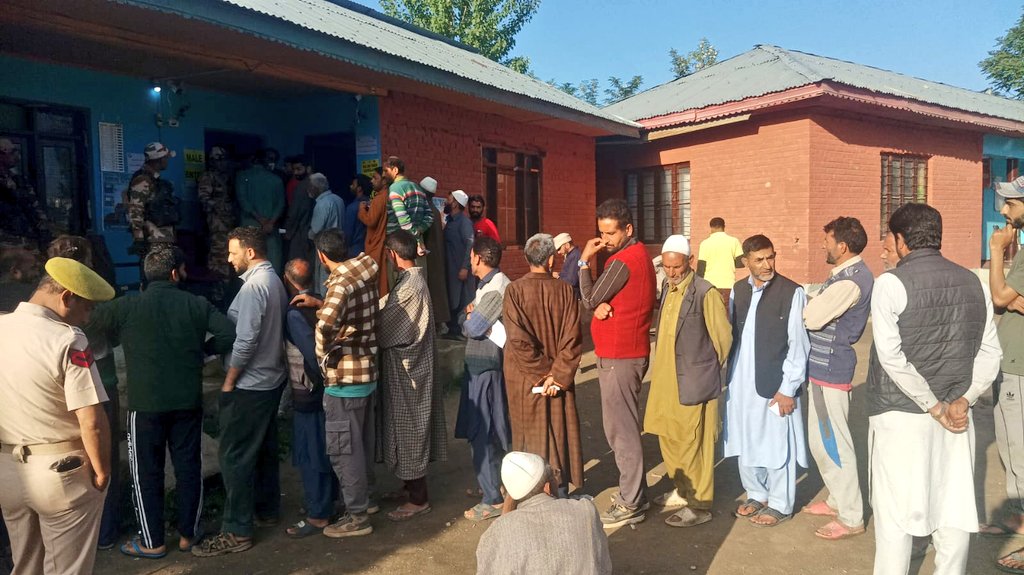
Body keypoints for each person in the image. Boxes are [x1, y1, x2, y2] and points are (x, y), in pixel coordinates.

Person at [866, 203, 1000, 574]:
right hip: (957, 416)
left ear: (901, 239)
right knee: (953, 505)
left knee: (895, 517)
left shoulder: (890, 283)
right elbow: (991, 353)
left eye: (889, 238)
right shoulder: (973, 280)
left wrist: (935, 406)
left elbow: (891, 358)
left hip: (901, 415)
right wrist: (963, 399)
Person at [88, 246, 235, 558]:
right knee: (188, 467)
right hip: (187, 402)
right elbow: (228, 332)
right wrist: (204, 352)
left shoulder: (127, 307)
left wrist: (117, 339)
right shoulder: (196, 304)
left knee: (146, 473)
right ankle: (188, 535)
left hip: (144, 407)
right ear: (174, 273)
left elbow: (88, 324)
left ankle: (151, 541)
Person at [0, 257, 114, 574]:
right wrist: (102, 472)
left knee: (24, 565)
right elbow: (91, 419)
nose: (88, 317)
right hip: (62, 473)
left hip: (8, 469)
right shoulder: (68, 339)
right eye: (88, 307)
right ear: (67, 297)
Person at [194, 227, 288, 557]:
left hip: (250, 384)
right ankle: (265, 510)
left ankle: (236, 530)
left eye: (233, 252)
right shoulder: (272, 281)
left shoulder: (254, 289)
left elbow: (245, 340)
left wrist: (229, 380)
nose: (228, 258)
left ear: (250, 252)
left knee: (234, 455)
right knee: (261, 449)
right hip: (270, 379)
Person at [578, 198, 656, 527]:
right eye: (601, 233)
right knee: (621, 426)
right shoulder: (636, 257)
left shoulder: (623, 261)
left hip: (620, 355)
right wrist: (599, 304)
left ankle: (631, 500)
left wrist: (583, 262)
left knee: (621, 430)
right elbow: (599, 301)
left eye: (611, 233)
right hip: (625, 352)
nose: (605, 240)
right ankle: (635, 494)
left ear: (628, 229)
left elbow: (590, 298)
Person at [644, 235, 731, 528]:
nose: (671, 272)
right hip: (666, 379)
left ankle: (699, 505)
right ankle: (682, 490)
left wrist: (706, 372)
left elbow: (723, 339)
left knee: (695, 442)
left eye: (676, 266)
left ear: (690, 262)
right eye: (667, 267)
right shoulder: (669, 289)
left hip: (694, 380)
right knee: (668, 435)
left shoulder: (705, 293)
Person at [724, 234, 810, 527]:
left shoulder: (791, 292)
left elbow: (799, 345)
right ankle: (756, 493)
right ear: (745, 261)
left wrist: (788, 389)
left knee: (776, 443)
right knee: (745, 438)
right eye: (759, 259)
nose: (767, 264)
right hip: (741, 382)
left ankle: (780, 503)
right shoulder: (739, 290)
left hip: (774, 383)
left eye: (770, 257)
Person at [800, 217, 873, 540]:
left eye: (827, 240)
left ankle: (852, 515)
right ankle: (837, 499)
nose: (823, 245)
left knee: (833, 442)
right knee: (821, 441)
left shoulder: (851, 281)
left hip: (831, 368)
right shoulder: (843, 276)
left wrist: (807, 304)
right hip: (822, 369)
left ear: (842, 247)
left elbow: (811, 318)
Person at [503, 233, 584, 497]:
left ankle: (532, 490)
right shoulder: (565, 291)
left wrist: (542, 374)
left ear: (526, 258)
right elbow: (573, 337)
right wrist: (557, 375)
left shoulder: (514, 291)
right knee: (559, 431)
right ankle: (558, 488)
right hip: (557, 378)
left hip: (526, 378)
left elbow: (517, 341)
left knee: (530, 433)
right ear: (551, 260)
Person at [313, 229, 382, 538]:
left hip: (343, 378)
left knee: (344, 450)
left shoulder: (340, 283)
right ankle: (366, 502)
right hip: (365, 373)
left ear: (322, 256)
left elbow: (326, 323)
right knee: (361, 445)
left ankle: (357, 516)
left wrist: (324, 346)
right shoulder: (363, 276)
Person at [377, 230, 447, 521]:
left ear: (392, 255)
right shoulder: (411, 281)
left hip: (409, 368)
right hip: (409, 366)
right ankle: (409, 486)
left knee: (410, 430)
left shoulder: (409, 287)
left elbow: (386, 326)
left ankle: (419, 499)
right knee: (404, 427)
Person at [475, 452, 611, 575]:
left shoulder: (495, 535)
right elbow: (604, 567)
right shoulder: (585, 510)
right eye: (555, 476)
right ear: (547, 487)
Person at [280, 258, 339, 538]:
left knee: (312, 452)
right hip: (327, 389)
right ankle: (327, 504)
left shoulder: (294, 313)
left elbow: (311, 354)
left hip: (310, 392)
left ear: (287, 280)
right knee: (324, 448)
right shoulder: (321, 300)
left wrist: (320, 376)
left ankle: (319, 513)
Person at [455, 236, 512, 521]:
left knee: (485, 430)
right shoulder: (486, 285)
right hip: (481, 365)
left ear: (478, 258)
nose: (469, 260)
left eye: (471, 256)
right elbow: (465, 319)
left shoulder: (496, 288)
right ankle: (492, 485)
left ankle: (492, 498)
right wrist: (467, 316)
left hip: (486, 368)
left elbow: (473, 327)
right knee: (485, 427)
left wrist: (468, 316)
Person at [236, 150, 286, 273]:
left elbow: (244, 202)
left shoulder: (242, 177)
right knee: (272, 262)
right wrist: (270, 222)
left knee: (249, 261)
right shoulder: (276, 180)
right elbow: (281, 204)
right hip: (271, 229)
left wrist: (260, 219)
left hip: (251, 227)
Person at [127, 142, 179, 257]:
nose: (167, 161)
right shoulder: (143, 180)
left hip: (161, 237)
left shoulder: (155, 180)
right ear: (158, 160)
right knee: (154, 272)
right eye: (165, 158)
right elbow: (136, 209)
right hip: (153, 239)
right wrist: (138, 238)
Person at [197, 146, 238, 288]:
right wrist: (221, 207)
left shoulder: (227, 177)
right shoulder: (208, 177)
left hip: (228, 224)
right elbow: (204, 199)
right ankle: (217, 293)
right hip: (217, 225)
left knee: (229, 257)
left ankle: (225, 291)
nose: (222, 163)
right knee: (218, 259)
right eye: (218, 160)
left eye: (223, 160)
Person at [0, 137, 50, 252]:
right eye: (12, 152)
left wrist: (43, 226)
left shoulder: (18, 179)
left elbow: (33, 204)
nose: (16, 156)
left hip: (26, 238)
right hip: (6, 243)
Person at [418, 176, 451, 328]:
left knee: (432, 289)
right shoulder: (434, 210)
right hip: (436, 254)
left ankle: (437, 322)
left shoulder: (426, 210)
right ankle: (440, 321)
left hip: (429, 256)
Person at [383, 156, 433, 252]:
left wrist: (416, 239)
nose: (383, 175)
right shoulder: (418, 188)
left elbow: (403, 219)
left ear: (395, 170)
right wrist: (419, 230)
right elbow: (429, 216)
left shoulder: (395, 188)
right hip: (414, 243)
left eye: (386, 171)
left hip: (399, 245)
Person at [444, 190, 476, 338]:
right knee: (452, 298)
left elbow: (470, 245)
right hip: (450, 269)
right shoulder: (450, 220)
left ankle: (461, 331)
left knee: (462, 299)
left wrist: (465, 267)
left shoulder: (464, 222)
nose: (446, 201)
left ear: (455, 203)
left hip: (460, 270)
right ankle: (452, 330)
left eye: (449, 198)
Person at [307, 173, 345, 293]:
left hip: (325, 246)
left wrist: (307, 235)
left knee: (325, 280)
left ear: (315, 188)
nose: (308, 189)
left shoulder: (322, 204)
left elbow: (316, 229)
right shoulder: (338, 199)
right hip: (339, 242)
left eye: (310, 186)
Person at [359, 168, 391, 297]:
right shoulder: (388, 196)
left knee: (377, 281)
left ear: (384, 181)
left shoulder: (379, 198)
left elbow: (370, 221)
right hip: (383, 243)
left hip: (376, 245)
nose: (371, 181)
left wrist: (362, 209)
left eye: (375, 178)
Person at [696, 217, 743, 303]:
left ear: (711, 227)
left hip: (709, 286)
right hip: (728, 284)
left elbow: (701, 268)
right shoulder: (734, 241)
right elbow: (740, 263)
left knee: (711, 313)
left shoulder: (704, 244)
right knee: (727, 313)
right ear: (724, 226)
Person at [284, 156, 315, 263]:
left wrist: (288, 232)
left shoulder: (302, 187)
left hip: (301, 233)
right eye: (294, 170)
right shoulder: (318, 184)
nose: (295, 173)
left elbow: (295, 213)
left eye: (299, 169)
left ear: (308, 169)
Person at [345, 174, 370, 258]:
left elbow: (348, 233)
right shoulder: (373, 204)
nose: (351, 186)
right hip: (370, 248)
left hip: (355, 251)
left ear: (359, 189)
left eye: (353, 184)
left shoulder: (352, 207)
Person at [553, 232, 581, 299]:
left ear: (567, 245)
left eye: (559, 249)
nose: (558, 252)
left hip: (574, 296)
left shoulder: (575, 256)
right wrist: (559, 275)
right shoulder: (571, 255)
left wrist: (558, 277)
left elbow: (572, 281)